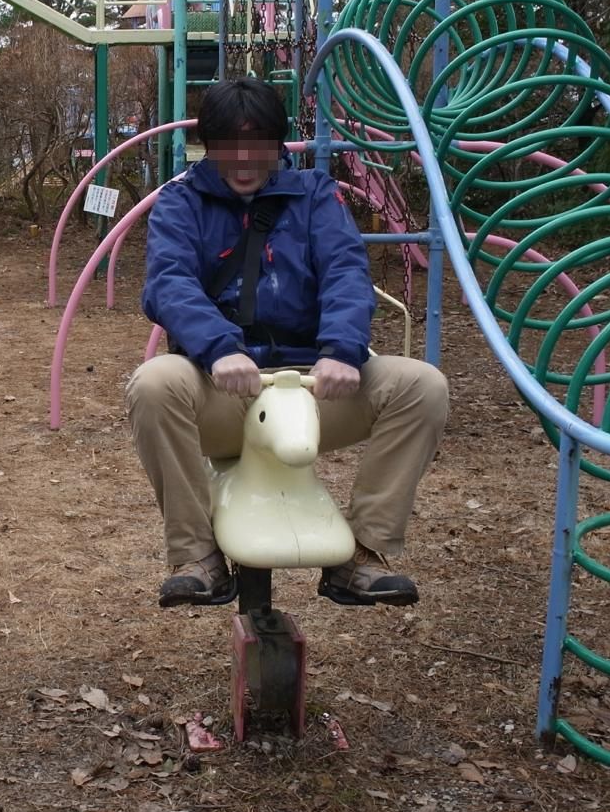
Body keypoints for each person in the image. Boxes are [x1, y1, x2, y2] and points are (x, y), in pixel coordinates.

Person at [126, 77, 448, 610]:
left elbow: (346, 269)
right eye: (230, 146)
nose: (245, 160)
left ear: (279, 145)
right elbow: (169, 283)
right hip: (222, 387)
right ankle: (196, 554)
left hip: (311, 387)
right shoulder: (182, 202)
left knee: (421, 386)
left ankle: (363, 553)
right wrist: (218, 348)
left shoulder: (314, 196)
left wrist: (341, 350)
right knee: (155, 384)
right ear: (210, 145)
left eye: (260, 145)